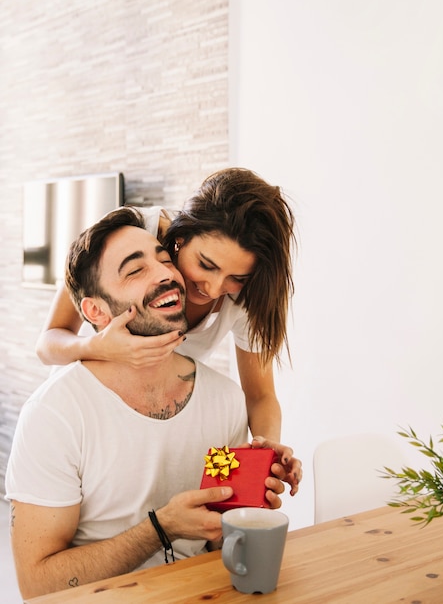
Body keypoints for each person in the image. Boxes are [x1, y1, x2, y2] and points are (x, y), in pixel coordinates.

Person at [5, 207, 289, 599]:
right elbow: (37, 585)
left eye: (162, 261)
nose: (205, 287)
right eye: (135, 270)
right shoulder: (56, 415)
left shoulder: (224, 401)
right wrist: (162, 528)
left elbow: (218, 541)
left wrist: (255, 478)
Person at [35, 167, 300, 491]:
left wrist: (264, 459)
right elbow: (47, 343)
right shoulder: (130, 235)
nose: (215, 288)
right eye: (206, 265)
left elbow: (260, 395)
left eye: (236, 278)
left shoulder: (222, 400)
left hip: (162, 417)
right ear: (179, 238)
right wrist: (98, 347)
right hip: (93, 415)